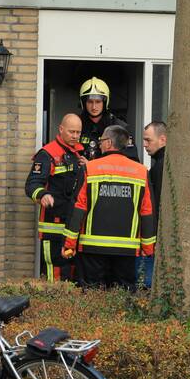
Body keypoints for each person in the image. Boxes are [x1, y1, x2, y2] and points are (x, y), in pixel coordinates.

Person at [62, 125, 155, 292]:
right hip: (127, 251)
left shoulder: (90, 168)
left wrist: (69, 244)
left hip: (92, 249)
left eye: (102, 140)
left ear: (109, 143)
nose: (99, 144)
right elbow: (147, 211)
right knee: (123, 297)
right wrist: (147, 248)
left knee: (92, 296)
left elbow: (78, 208)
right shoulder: (141, 172)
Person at [25, 113, 86, 281]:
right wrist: (42, 194)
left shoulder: (78, 154)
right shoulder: (47, 154)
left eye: (78, 132)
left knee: (73, 274)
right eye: (71, 132)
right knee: (56, 274)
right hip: (53, 228)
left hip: (72, 228)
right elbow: (31, 184)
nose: (75, 136)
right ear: (61, 129)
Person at [77, 77, 139, 161]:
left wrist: (91, 166)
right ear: (83, 103)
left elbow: (131, 161)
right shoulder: (76, 125)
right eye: (90, 102)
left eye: (98, 102)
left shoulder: (119, 128)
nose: (94, 107)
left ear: (105, 102)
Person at [137, 120, 167, 289]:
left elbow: (155, 206)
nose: (144, 144)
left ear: (163, 139)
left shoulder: (160, 167)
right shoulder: (162, 164)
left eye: (148, 140)